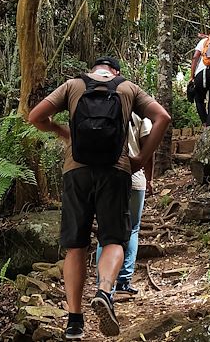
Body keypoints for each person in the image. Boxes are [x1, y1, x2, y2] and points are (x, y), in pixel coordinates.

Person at [28, 57, 170, 340]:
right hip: (115, 172)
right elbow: (163, 118)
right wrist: (140, 159)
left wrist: (61, 132)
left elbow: (35, 116)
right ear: (114, 72)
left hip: (76, 172)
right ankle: (105, 291)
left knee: (75, 246)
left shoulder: (73, 85)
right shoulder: (128, 87)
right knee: (114, 240)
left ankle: (74, 321)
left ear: (92, 70)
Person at [95, 112, 152, 296]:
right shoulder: (138, 113)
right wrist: (150, 178)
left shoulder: (101, 110)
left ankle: (104, 286)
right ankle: (123, 280)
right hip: (134, 177)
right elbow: (148, 149)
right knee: (133, 228)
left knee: (106, 231)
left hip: (106, 177)